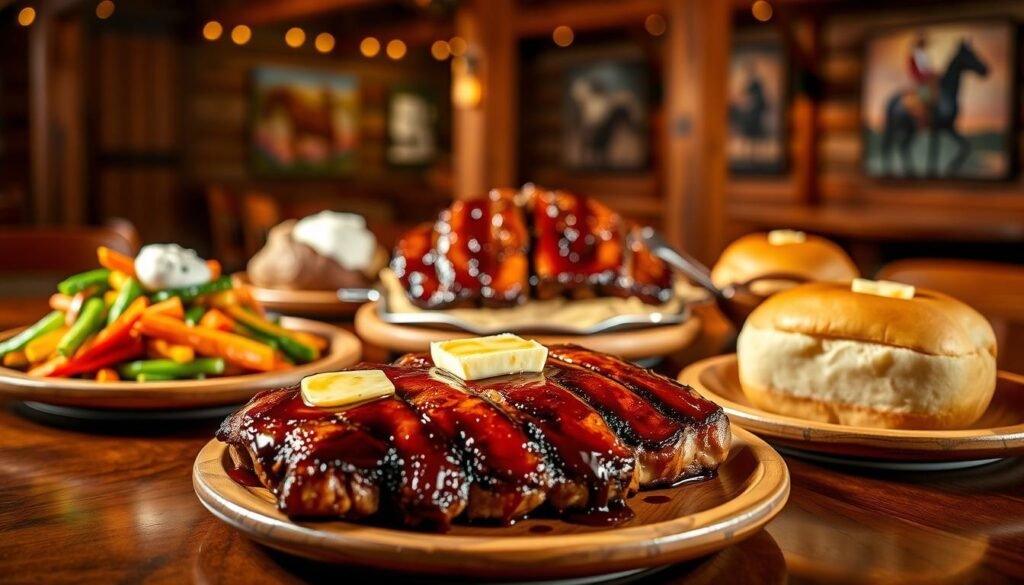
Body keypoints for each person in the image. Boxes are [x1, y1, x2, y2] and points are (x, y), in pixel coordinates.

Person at [907, 32, 936, 127]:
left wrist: (933, 73)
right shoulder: (915, 54)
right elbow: (919, 70)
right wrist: (926, 75)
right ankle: (924, 120)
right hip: (920, 80)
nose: (924, 44)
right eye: (923, 42)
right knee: (925, 96)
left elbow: (927, 67)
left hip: (926, 78)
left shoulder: (923, 54)